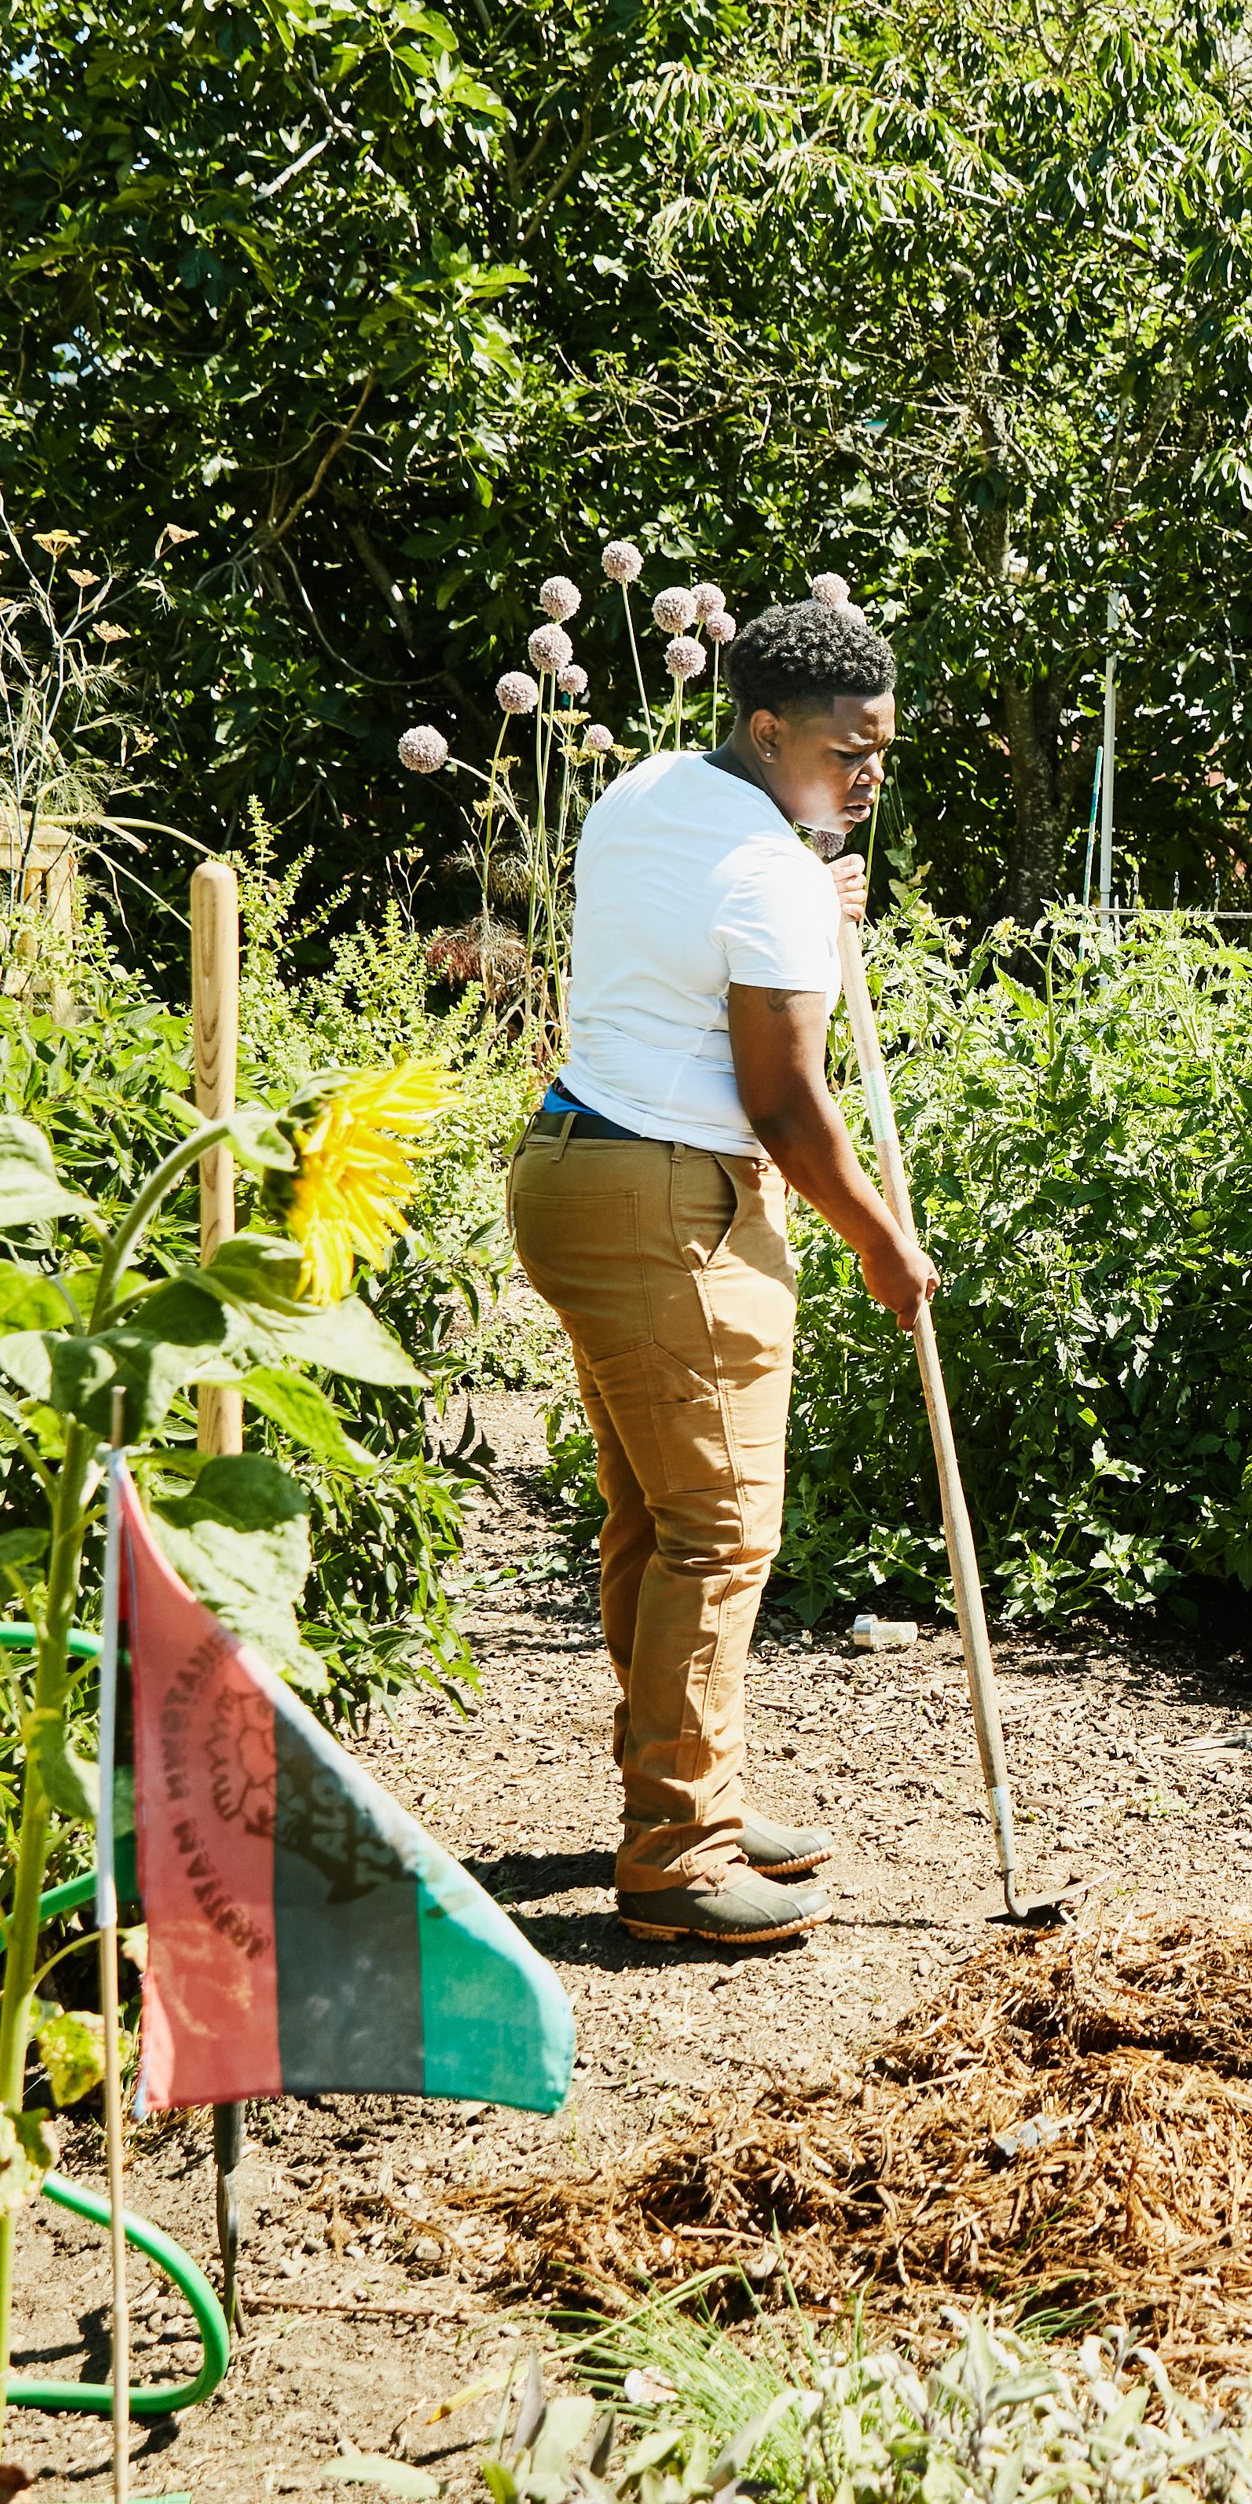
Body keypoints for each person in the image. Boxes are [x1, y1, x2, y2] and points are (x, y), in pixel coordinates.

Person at [505, 582, 940, 1951]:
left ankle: (691, 1790)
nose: (869, 775)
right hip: (673, 1198)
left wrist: (816, 885)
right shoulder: (773, 877)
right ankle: (678, 1858)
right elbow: (787, 1104)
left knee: (654, 1514)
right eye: (845, 751)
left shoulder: (644, 793)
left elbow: (706, 928)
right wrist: (883, 1240)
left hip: (574, 1170)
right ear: (765, 728)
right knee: (721, 1527)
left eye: (882, 749)